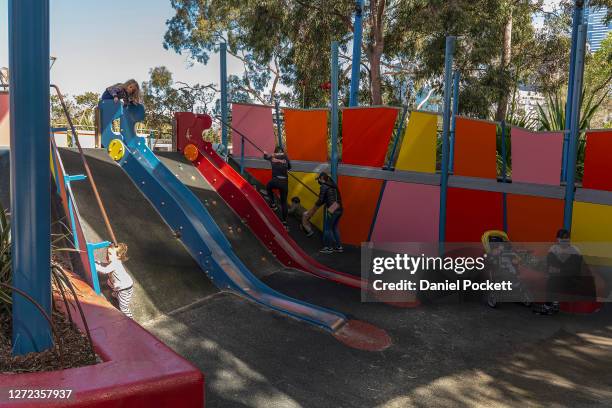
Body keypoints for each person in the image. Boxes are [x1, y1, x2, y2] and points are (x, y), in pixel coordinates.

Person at [306, 172, 343, 253]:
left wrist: (313, 209)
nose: (318, 181)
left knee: (327, 228)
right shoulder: (333, 185)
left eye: (318, 179)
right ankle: (338, 246)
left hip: (332, 208)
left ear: (322, 179)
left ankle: (328, 247)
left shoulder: (324, 186)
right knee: (334, 227)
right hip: (339, 207)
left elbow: (320, 200)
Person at [95, 243, 134, 319]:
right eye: (108, 252)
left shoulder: (115, 263)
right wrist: (98, 262)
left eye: (110, 254)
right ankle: (117, 293)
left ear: (118, 256)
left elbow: (105, 270)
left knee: (123, 307)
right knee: (109, 282)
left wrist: (95, 265)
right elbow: (106, 265)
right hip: (124, 284)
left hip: (124, 289)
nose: (108, 255)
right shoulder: (115, 261)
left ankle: (130, 320)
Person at [263, 146, 291, 228]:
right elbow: (289, 167)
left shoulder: (272, 156)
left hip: (276, 180)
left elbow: (265, 157)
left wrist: (265, 154)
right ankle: (285, 222)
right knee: (284, 202)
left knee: (268, 187)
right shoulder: (285, 156)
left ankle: (273, 204)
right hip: (284, 182)